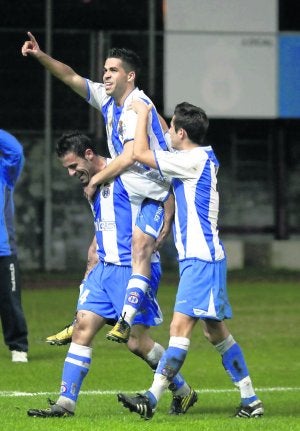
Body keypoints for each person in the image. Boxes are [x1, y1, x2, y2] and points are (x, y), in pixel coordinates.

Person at [27, 131, 197, 418]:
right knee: (83, 327)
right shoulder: (92, 184)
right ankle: (65, 404)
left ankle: (182, 391)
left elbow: (166, 188)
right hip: (104, 270)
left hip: (131, 271)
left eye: (73, 166)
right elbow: (106, 222)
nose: (71, 173)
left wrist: (166, 220)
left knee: (137, 343)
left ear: (89, 154)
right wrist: (93, 252)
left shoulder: (127, 174)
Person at [22, 32, 173, 344]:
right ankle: (82, 317)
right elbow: (71, 77)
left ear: (130, 76)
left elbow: (131, 155)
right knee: (95, 253)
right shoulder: (109, 101)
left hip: (153, 191)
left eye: (113, 69)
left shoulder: (136, 106)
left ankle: (126, 319)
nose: (105, 74)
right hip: (130, 185)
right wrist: (40, 55)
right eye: (104, 69)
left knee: (139, 247)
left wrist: (96, 179)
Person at [117, 101, 264, 419]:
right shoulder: (197, 156)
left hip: (201, 261)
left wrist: (141, 113)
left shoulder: (192, 161)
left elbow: (140, 153)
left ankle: (151, 398)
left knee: (178, 327)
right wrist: (149, 104)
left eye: (171, 127)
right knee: (215, 333)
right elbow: (167, 134)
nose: (167, 131)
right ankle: (250, 400)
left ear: (182, 133)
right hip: (201, 260)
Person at [0, 129, 29, 363]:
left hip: (3, 251)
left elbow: (16, 151)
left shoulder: (5, 173)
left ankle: (18, 346)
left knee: (10, 300)